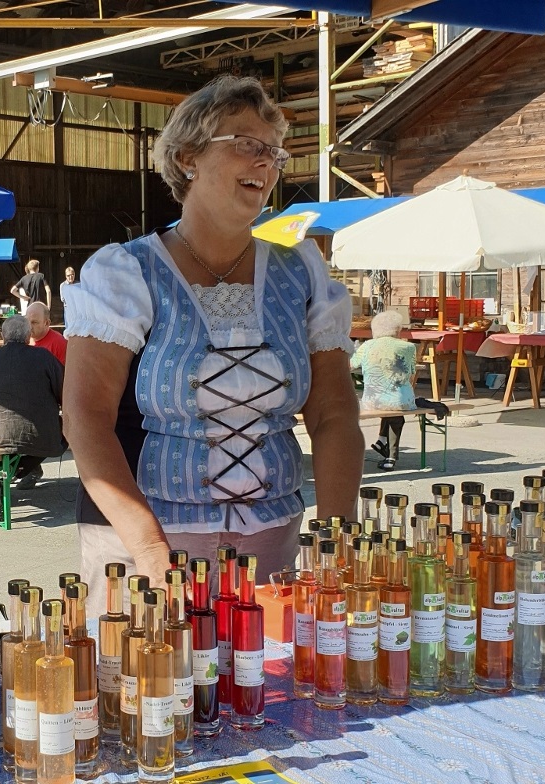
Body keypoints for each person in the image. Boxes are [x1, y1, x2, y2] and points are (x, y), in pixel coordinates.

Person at [62, 75, 363, 614]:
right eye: (247, 145)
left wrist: (334, 539)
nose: (267, 163)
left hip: (272, 540)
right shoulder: (127, 271)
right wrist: (150, 548)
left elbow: (335, 414)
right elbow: (85, 415)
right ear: (187, 158)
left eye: (274, 153)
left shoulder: (302, 273)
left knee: (263, 686)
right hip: (144, 545)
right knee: (151, 693)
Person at [0, 315, 65, 490]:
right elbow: (63, 392)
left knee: (5, 435)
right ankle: (20, 470)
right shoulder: (44, 356)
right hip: (39, 435)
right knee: (64, 430)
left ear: (3, 336)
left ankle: (6, 471)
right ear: (27, 336)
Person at [350, 311, 417, 471]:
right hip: (403, 400)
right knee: (395, 409)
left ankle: (381, 440)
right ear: (398, 329)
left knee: (386, 402)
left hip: (372, 399)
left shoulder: (366, 346)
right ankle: (391, 457)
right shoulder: (409, 347)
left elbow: (351, 365)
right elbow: (412, 370)